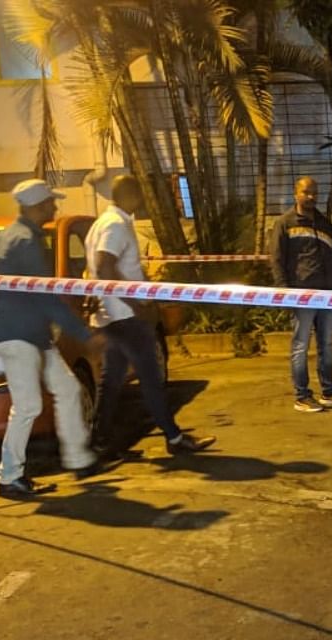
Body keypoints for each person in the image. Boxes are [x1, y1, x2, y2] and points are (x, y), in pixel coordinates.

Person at [0, 179, 106, 498]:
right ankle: (10, 477)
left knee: (66, 389)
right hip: (20, 335)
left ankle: (79, 459)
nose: (55, 206)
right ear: (38, 206)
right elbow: (46, 298)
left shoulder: (9, 236)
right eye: (51, 202)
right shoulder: (25, 241)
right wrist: (83, 334)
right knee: (27, 406)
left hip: (26, 333)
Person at [87, 175, 216, 454]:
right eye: (141, 194)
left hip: (111, 316)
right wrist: (137, 304)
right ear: (130, 195)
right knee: (151, 377)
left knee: (111, 381)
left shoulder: (101, 224)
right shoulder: (115, 225)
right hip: (126, 317)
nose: (144, 199)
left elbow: (106, 268)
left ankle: (98, 440)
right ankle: (174, 438)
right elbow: (104, 267)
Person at [271, 176, 332, 413]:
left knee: (327, 344)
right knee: (301, 345)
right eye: (306, 192)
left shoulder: (324, 223)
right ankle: (302, 395)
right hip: (302, 294)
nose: (311, 197)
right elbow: (276, 258)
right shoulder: (284, 223)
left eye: (315, 192)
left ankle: (328, 390)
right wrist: (284, 290)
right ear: (296, 193)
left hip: (328, 292)